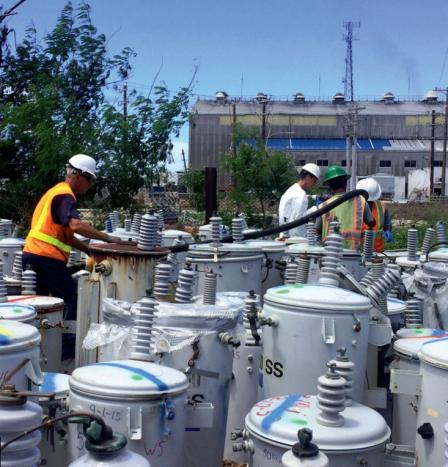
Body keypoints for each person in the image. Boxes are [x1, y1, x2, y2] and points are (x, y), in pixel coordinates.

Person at [23, 154, 124, 324]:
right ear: (77, 174)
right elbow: (76, 225)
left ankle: (45, 344)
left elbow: (64, 235)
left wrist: (88, 250)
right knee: (70, 299)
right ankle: (67, 346)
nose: (90, 184)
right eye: (89, 179)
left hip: (33, 255)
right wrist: (109, 238)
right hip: (47, 258)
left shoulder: (53, 193)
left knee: (40, 304)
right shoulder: (64, 195)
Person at [316, 166, 375, 250]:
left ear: (329, 186)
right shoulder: (360, 201)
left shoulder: (323, 206)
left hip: (330, 255)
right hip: (353, 254)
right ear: (346, 183)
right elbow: (371, 222)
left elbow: (317, 230)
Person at [278, 163, 321, 238]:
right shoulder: (301, 195)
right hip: (294, 239)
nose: (314, 184)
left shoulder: (291, 190)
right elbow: (298, 222)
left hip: (284, 235)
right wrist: (315, 209)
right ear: (308, 177)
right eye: (314, 181)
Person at [356, 178, 393, 252]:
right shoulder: (354, 206)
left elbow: (387, 224)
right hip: (359, 251)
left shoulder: (381, 206)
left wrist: (388, 231)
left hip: (377, 251)